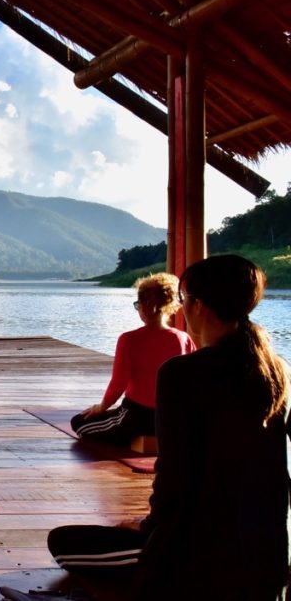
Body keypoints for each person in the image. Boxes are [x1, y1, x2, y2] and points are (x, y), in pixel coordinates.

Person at [45, 255, 290, 600]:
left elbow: (174, 475)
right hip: (268, 555)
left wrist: (147, 525)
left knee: (63, 543)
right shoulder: (276, 370)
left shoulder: (181, 374)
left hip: (196, 556)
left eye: (185, 299)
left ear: (199, 306)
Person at [70, 273, 194, 446]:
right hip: (170, 418)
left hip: (137, 417)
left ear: (142, 307)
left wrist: (100, 408)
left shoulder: (129, 339)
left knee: (79, 423)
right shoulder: (184, 339)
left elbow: (118, 384)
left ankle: (124, 435)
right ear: (170, 305)